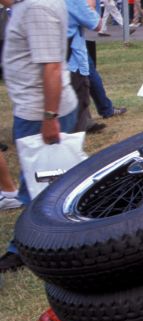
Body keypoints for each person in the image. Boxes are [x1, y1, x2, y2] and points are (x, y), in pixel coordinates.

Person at [0, 0, 78, 273]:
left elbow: (52, 66)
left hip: (39, 111)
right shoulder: (29, 6)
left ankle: (23, 248)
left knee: (37, 183)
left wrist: (49, 116)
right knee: (43, 180)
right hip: (35, 108)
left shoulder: (36, 8)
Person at [65, 0, 103, 133]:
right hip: (70, 59)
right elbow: (96, 24)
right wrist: (91, 4)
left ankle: (86, 122)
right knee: (78, 96)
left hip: (48, 57)